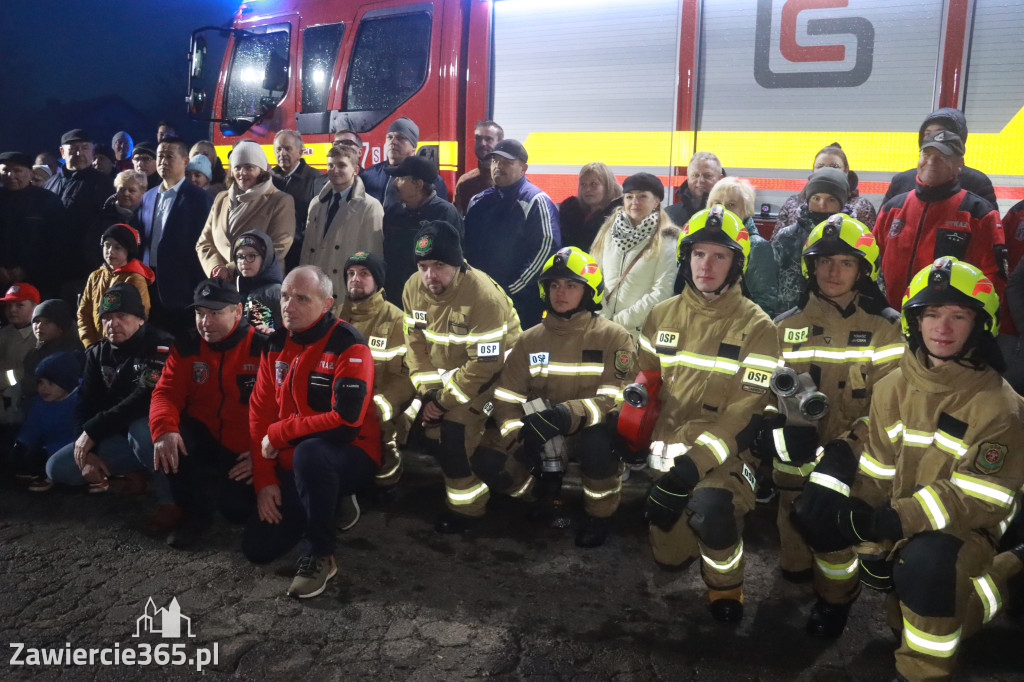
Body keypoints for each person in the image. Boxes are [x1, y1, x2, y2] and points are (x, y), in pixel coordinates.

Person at [793, 257, 1024, 681]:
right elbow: (879, 466)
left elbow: (981, 499)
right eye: (931, 314)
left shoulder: (1001, 407)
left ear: (981, 325)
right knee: (819, 511)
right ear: (914, 322)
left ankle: (924, 668)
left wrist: (891, 522)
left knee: (926, 568)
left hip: (961, 530)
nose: (942, 327)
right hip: (898, 515)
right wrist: (853, 509)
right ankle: (835, 599)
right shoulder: (893, 385)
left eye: (959, 315)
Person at [758, 216, 903, 635]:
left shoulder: (886, 328)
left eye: (845, 262)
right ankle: (799, 563)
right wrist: (774, 427)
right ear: (811, 266)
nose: (832, 272)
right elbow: (767, 392)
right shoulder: (784, 326)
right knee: (794, 532)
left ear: (863, 270)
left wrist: (847, 449)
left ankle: (836, 599)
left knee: (831, 525)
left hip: (852, 456)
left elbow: (889, 406)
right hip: (797, 455)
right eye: (823, 262)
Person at [641, 206, 780, 623]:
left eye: (720, 256)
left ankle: (726, 587)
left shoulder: (758, 327)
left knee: (712, 510)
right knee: (669, 559)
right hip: (666, 452)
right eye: (699, 254)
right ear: (686, 259)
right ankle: (681, 543)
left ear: (736, 265)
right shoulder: (660, 316)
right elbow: (644, 387)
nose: (707, 265)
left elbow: (745, 412)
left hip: (727, 456)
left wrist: (691, 468)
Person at [477, 246, 635, 547]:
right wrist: (518, 435)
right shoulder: (530, 339)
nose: (560, 292)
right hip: (542, 432)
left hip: (589, 430)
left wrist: (565, 415)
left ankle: (599, 515)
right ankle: (540, 492)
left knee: (597, 446)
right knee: (487, 460)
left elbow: (615, 398)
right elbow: (506, 395)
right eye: (554, 285)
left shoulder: (613, 337)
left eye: (571, 285)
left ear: (589, 291)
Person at [245, 266, 380, 599]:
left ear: (327, 303)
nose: (288, 306)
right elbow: (259, 412)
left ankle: (321, 553)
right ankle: (325, 499)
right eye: (285, 296)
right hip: (291, 458)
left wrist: (280, 433)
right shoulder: (274, 344)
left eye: (302, 298)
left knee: (313, 454)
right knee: (257, 548)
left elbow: (346, 423)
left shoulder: (348, 344)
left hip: (349, 453)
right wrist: (265, 481)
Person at [402, 221, 521, 533]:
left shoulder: (482, 297)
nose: (429, 276)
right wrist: (429, 392)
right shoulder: (413, 288)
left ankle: (469, 511)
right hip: (450, 377)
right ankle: (484, 469)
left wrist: (441, 403)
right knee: (432, 432)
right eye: (423, 266)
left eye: (439, 265)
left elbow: (486, 365)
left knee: (452, 431)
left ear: (457, 262)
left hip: (497, 375)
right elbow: (414, 344)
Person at [46, 283, 178, 531]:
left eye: (121, 316)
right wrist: (84, 447)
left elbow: (143, 398)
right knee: (57, 468)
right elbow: (84, 403)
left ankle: (171, 501)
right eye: (106, 317)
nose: (112, 323)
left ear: (140, 319)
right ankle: (134, 474)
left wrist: (92, 432)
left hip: (162, 431)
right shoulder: (98, 353)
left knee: (143, 430)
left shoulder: (160, 345)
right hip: (118, 435)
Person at [150, 278, 267, 548]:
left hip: (246, 445)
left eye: (215, 313)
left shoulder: (262, 347)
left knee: (236, 511)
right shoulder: (188, 344)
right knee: (170, 438)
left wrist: (263, 454)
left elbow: (284, 410)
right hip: (205, 435)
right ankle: (194, 513)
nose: (205, 322)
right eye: (200, 313)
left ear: (237, 312)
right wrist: (164, 429)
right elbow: (165, 393)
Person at [874, 130, 1006, 310]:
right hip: (892, 319)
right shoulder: (893, 208)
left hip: (945, 327)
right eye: (926, 154)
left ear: (959, 164)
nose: (931, 161)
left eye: (942, 156)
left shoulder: (978, 214)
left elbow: (993, 279)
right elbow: (870, 263)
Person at [337, 252, 415, 490]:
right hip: (338, 406)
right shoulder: (334, 315)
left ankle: (390, 448)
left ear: (378, 281)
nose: (355, 279)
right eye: (350, 274)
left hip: (380, 409)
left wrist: (376, 408)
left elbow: (406, 378)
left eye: (364, 273)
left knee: (382, 476)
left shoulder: (397, 320)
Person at [463, 139, 561, 328]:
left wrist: (514, 288)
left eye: (507, 162)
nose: (498, 166)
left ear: (523, 168)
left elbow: (547, 249)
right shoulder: (477, 201)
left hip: (520, 303)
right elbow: (466, 247)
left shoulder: (536, 200)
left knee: (517, 354)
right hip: (480, 297)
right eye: (494, 161)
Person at [132, 138, 213, 334]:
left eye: (170, 156)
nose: (163, 161)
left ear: (185, 161)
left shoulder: (199, 198)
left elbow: (204, 243)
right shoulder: (148, 196)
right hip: (148, 285)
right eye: (160, 156)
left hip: (182, 289)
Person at [589, 172, 678, 342]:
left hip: (639, 334)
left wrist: (618, 321)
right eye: (629, 197)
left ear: (657, 201)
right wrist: (603, 315)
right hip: (601, 328)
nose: (634, 202)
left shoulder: (666, 239)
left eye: (642, 197)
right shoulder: (608, 231)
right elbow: (592, 276)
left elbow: (662, 293)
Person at [197, 140, 295, 280]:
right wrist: (216, 268)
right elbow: (204, 242)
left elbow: (278, 247)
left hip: (260, 284)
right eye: (237, 167)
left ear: (261, 169)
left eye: (249, 167)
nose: (242, 173)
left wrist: (231, 268)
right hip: (222, 284)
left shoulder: (280, 200)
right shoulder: (221, 198)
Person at [301, 145, 382, 311]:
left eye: (342, 165)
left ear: (355, 170)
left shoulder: (370, 207)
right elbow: (307, 250)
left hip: (345, 289)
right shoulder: (316, 203)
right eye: (330, 165)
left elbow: (373, 255)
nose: (335, 170)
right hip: (316, 288)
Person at [381, 154, 462, 307]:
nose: (394, 183)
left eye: (400, 178)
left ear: (418, 184)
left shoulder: (444, 213)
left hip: (431, 298)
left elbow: (455, 261)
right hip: (396, 296)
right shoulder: (393, 212)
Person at [881, 108, 998, 211]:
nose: (933, 140)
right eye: (927, 134)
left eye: (941, 134)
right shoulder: (901, 181)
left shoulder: (977, 182)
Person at [771, 167, 850, 314]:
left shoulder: (855, 239)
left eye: (831, 199)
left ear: (842, 203)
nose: (822, 205)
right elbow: (768, 283)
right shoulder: (786, 238)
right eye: (816, 198)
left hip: (838, 322)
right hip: (787, 321)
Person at [42, 129, 114, 281]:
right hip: (49, 264)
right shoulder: (50, 182)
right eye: (73, 148)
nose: (79, 153)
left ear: (92, 151)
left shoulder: (104, 184)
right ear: (62, 152)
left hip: (85, 267)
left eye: (84, 148)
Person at [706, 177, 779, 319]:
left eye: (731, 205)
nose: (723, 209)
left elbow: (765, 303)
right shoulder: (701, 242)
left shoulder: (757, 247)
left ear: (745, 210)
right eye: (717, 203)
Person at [10, 352, 82, 492]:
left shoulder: (80, 402)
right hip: (46, 446)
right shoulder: (40, 401)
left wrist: (48, 451)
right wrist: (22, 443)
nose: (43, 388)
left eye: (50, 382)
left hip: (68, 449)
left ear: (66, 382)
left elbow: (77, 436)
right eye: (40, 382)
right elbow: (32, 426)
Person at [0, 151, 68, 296]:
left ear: (30, 173)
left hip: (39, 280)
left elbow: (58, 241)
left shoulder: (47, 201)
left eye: (17, 170)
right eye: (5, 170)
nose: (11, 175)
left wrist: (26, 269)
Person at [78, 224, 154, 347]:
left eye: (117, 247)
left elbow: (140, 317)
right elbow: (83, 314)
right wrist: (90, 345)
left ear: (128, 251)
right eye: (107, 245)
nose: (110, 251)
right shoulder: (95, 276)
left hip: (123, 347)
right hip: (96, 347)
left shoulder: (134, 278)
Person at [772, 144, 876, 233]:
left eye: (835, 166)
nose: (827, 170)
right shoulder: (793, 203)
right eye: (820, 166)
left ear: (846, 170)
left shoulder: (861, 207)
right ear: (813, 169)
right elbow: (776, 245)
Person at [271, 130, 328, 270]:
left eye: (288, 148)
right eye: (278, 149)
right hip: (272, 253)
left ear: (300, 152)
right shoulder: (268, 179)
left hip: (301, 253)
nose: (282, 153)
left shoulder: (316, 179)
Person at [360, 117, 447, 209]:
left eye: (400, 138)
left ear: (413, 146)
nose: (393, 142)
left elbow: (438, 213)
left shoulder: (430, 179)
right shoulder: (368, 175)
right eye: (389, 137)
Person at [22, 298, 83, 405]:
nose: (39, 326)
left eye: (48, 322)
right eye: (36, 321)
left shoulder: (76, 353)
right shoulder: (33, 354)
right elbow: (27, 385)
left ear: (61, 327)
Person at [0, 283, 41, 428]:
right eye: (9, 305)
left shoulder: (40, 336)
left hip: (23, 407)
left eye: (19, 305)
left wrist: (4, 379)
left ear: (35, 307)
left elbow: (24, 374)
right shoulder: (4, 333)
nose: (12, 310)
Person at [558, 162, 622, 250]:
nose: (587, 189)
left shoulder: (619, 217)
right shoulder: (571, 213)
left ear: (608, 186)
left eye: (594, 184)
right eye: (583, 184)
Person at [232, 231, 282, 333]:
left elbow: (286, 331)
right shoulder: (235, 288)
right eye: (240, 256)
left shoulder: (277, 292)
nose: (244, 262)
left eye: (251, 256)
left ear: (265, 258)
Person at [453, 120, 503, 215]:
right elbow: (457, 222)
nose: (482, 143)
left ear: (501, 143)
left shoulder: (513, 181)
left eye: (488, 139)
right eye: (478, 138)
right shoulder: (465, 182)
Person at [665, 152, 724, 227]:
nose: (700, 180)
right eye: (695, 175)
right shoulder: (669, 215)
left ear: (720, 179)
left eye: (707, 176)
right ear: (688, 178)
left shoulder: (730, 215)